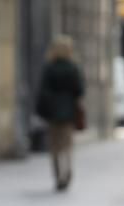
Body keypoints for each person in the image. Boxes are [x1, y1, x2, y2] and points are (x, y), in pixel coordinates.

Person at [35, 35, 85, 191]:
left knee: (54, 146)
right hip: (68, 110)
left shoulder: (49, 67)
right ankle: (66, 173)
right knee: (67, 145)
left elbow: (42, 91)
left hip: (52, 111)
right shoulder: (73, 67)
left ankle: (58, 175)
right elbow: (79, 90)